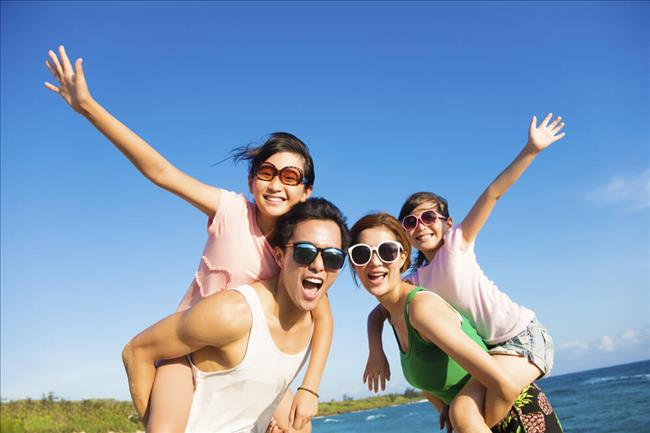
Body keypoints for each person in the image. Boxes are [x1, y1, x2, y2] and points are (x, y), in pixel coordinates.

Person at [44, 45, 333, 432]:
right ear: (251, 181)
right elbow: (161, 171)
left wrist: (309, 389)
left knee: (298, 428)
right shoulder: (231, 210)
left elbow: (323, 318)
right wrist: (88, 107)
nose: (276, 184)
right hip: (188, 352)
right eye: (267, 172)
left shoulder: (299, 248)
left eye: (290, 177)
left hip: (245, 361)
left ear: (305, 192)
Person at [363, 114, 565, 432]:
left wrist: (531, 150)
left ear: (448, 222)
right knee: (461, 416)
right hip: (492, 351)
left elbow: (493, 193)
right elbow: (378, 313)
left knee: (464, 415)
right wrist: (377, 351)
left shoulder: (458, 243)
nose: (421, 226)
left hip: (523, 338)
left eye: (429, 217)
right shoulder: (414, 281)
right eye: (410, 222)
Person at [122, 197, 349, 433]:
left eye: (333, 257)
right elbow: (136, 351)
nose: (319, 265)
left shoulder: (315, 316)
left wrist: (310, 388)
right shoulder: (232, 314)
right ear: (280, 257)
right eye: (305, 252)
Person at [349, 213, 563, 433]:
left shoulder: (420, 309)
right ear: (354, 264)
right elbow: (374, 316)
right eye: (361, 253)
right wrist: (375, 349)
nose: (374, 262)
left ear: (403, 257)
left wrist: (465, 422)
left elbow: (505, 387)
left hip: (519, 418)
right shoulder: (393, 314)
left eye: (386, 251)